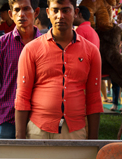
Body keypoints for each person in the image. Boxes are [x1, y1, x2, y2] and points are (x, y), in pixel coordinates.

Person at [15, 0, 102, 139]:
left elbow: (94, 99)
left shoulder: (91, 51)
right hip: (38, 129)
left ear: (76, 13)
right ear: (48, 12)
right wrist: (19, 138)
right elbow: (22, 96)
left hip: (75, 130)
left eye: (66, 10)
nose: (60, 16)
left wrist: (93, 141)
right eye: (55, 10)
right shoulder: (31, 50)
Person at [0, 0, 41, 139]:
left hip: (38, 118)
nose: (21, 14)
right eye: (16, 10)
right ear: (10, 14)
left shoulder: (46, 45)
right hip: (7, 117)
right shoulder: (0, 45)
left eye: (26, 9)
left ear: (36, 12)